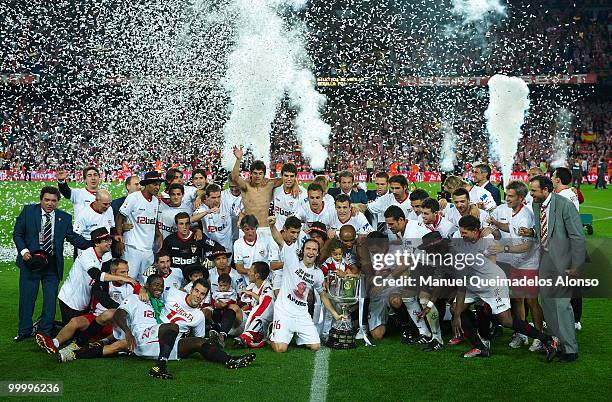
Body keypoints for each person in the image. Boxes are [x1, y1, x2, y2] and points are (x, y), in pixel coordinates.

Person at [451, 215, 558, 360]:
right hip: (474, 284)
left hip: (493, 283)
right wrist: (457, 315)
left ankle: (547, 340)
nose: (461, 235)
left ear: (476, 230)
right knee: (456, 309)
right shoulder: (461, 242)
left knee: (506, 320)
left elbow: (491, 264)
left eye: (464, 232)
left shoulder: (487, 241)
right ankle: (480, 347)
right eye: (461, 232)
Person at [13, 186, 90, 341]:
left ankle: (45, 331)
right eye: (46, 200)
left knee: (50, 301)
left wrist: (93, 244)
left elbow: (72, 237)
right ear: (41, 199)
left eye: (54, 201)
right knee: (27, 298)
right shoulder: (29, 211)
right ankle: (24, 331)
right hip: (31, 263)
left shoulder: (64, 217)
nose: (50, 203)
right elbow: (18, 234)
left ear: (58, 202)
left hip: (52, 265)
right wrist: (24, 251)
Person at [528, 175, 586, 362]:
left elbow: (577, 237)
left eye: (534, 190)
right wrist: (532, 233)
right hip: (545, 262)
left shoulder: (565, 205)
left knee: (561, 306)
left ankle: (571, 349)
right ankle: (558, 343)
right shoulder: (536, 205)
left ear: (546, 190)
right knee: (549, 306)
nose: (531, 194)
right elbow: (543, 232)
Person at [36, 258, 138, 354]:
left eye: (127, 272)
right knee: (75, 321)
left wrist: (142, 290)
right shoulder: (102, 283)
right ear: (113, 273)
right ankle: (54, 343)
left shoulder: (132, 285)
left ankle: (101, 342)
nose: (126, 275)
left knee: (118, 323)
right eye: (122, 272)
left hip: (115, 323)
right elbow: (105, 300)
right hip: (96, 318)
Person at [487, 181, 544, 352]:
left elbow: (527, 246)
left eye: (511, 196)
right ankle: (522, 334)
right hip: (516, 262)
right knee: (517, 299)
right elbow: (510, 228)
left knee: (531, 301)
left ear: (521, 197)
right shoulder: (514, 211)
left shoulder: (525, 215)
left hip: (529, 263)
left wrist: (504, 248)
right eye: (506, 195)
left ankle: (539, 336)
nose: (507, 199)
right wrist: (496, 223)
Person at [269, 238, 343, 352]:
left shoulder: (318, 273)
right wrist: (272, 225)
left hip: (301, 314)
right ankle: (273, 333)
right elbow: (280, 240)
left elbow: (322, 295)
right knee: (280, 349)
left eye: (314, 249)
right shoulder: (291, 261)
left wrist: (335, 314)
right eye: (308, 249)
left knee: (315, 346)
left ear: (317, 253)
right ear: (303, 251)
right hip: (284, 312)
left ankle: (293, 333)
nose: (311, 252)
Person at [57, 228, 137, 324]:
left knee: (81, 332)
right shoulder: (86, 255)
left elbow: (103, 278)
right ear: (96, 243)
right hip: (70, 300)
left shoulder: (104, 256)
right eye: (105, 241)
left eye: (110, 240)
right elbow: (96, 275)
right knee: (72, 332)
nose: (109, 243)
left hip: (84, 300)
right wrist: (122, 278)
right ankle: (49, 329)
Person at [231, 145, 296, 234]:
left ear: (264, 174)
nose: (257, 176)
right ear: (251, 174)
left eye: (260, 173)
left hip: (265, 228)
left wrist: (295, 184)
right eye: (255, 173)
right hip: (248, 228)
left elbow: (287, 179)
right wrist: (238, 159)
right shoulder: (246, 186)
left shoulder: (269, 185)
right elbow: (234, 177)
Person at [114, 171, 164, 283]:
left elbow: (153, 219)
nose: (158, 187)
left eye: (159, 185)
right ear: (146, 184)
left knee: (146, 282)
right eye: (155, 184)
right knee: (128, 280)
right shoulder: (133, 198)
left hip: (148, 249)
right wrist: (119, 237)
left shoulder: (155, 201)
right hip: (133, 247)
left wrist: (158, 234)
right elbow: (119, 217)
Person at [236, 261, 275, 349]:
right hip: (249, 316)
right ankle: (223, 334)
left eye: (250, 270)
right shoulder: (252, 286)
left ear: (257, 275)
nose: (248, 272)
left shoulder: (268, 288)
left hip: (262, 319)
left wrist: (251, 294)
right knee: (234, 309)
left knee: (258, 320)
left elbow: (265, 307)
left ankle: (246, 338)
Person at [161, 212, 211, 277]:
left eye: (187, 223)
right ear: (176, 225)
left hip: (194, 277)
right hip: (175, 276)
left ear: (190, 224)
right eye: (181, 224)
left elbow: (214, 247)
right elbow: (162, 258)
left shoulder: (199, 237)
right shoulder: (169, 240)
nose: (184, 227)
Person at [233, 215, 281, 281]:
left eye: (252, 229)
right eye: (247, 229)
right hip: (248, 281)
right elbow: (239, 268)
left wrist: (260, 274)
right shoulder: (237, 244)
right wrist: (253, 274)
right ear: (242, 229)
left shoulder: (267, 238)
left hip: (265, 280)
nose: (250, 232)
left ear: (256, 227)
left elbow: (273, 264)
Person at [192, 183, 236, 255]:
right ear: (207, 197)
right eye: (213, 198)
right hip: (210, 247)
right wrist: (208, 212)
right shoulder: (203, 208)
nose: (217, 200)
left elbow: (239, 212)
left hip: (227, 246)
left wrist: (240, 218)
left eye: (218, 197)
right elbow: (191, 219)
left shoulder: (227, 204)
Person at [272, 162, 307, 231]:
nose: (289, 179)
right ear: (282, 176)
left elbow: (307, 214)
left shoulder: (302, 193)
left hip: (294, 233)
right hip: (278, 232)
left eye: (291, 176)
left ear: (295, 177)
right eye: (286, 176)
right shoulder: (275, 190)